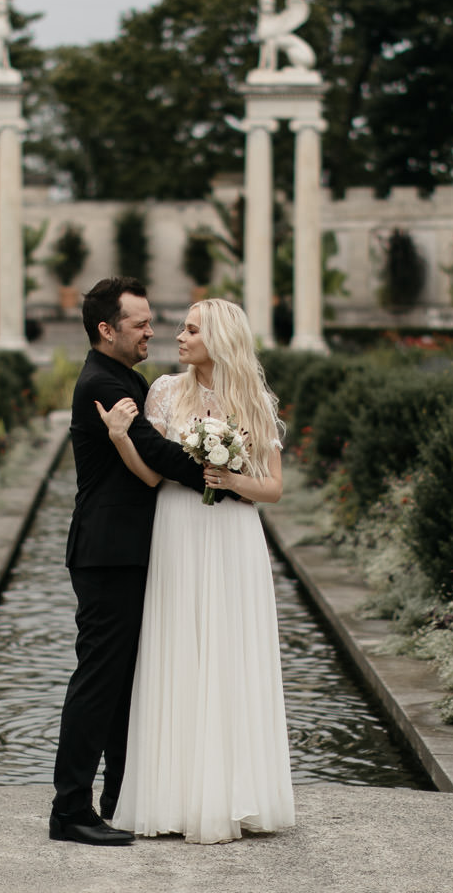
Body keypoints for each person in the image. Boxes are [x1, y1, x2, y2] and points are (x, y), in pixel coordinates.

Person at [95, 296, 295, 844]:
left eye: (189, 330)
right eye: (179, 328)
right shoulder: (163, 391)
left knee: (229, 655)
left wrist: (229, 481)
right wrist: (118, 438)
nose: (177, 337)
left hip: (233, 537)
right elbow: (152, 476)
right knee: (176, 650)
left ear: (219, 340)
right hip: (177, 532)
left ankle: (234, 795)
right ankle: (173, 797)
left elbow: (273, 488)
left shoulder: (254, 398)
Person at [50, 277, 235, 846]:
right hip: (108, 553)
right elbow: (156, 455)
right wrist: (222, 473)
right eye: (140, 323)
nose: (152, 330)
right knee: (99, 682)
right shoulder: (103, 384)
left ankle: (117, 798)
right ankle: (70, 811)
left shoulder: (123, 377)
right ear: (107, 329)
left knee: (125, 681)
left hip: (127, 551)